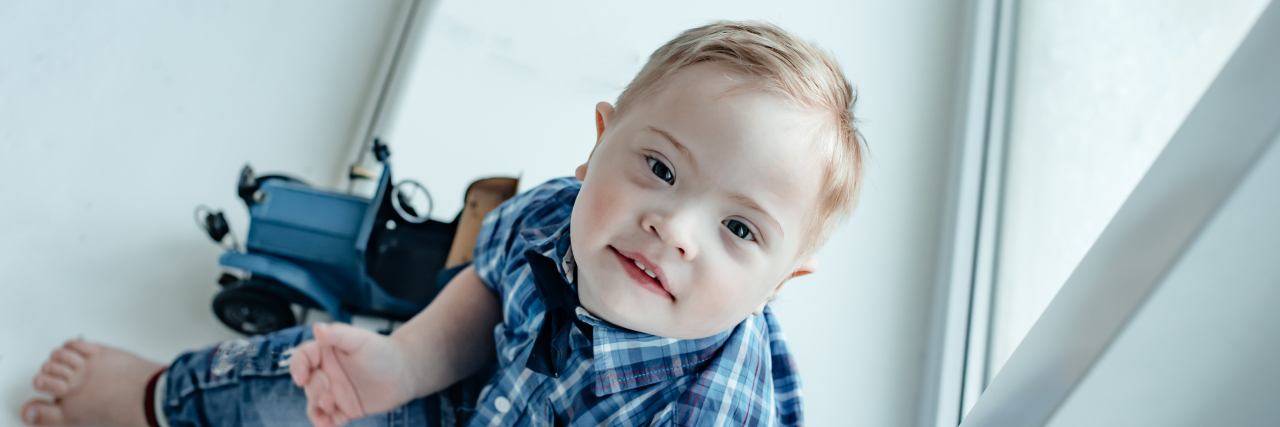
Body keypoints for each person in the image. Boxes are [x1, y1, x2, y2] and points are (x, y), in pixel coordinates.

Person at [21, 20, 864, 427]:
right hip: (477, 392)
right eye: (661, 168)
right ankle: (157, 397)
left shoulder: (706, 409)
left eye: (740, 230)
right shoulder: (552, 215)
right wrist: (404, 361)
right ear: (597, 147)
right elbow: (492, 289)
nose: (675, 227)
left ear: (780, 285)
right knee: (307, 366)